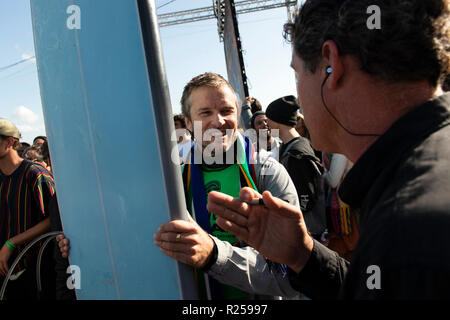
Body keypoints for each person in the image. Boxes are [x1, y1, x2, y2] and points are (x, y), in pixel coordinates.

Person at [207, 0, 450, 299]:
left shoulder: (411, 226)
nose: (299, 101)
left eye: (296, 75)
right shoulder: (413, 189)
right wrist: (303, 255)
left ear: (331, 64)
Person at [58, 73, 300, 300]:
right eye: (205, 112)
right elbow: (137, 241)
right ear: (187, 121)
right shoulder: (173, 180)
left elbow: (294, 273)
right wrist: (84, 245)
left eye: (227, 110)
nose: (218, 121)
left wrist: (214, 255)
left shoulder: (267, 172)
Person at [0, 119, 56, 300]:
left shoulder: (35, 174)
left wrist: (12, 242)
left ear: (9, 142)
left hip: (34, 269)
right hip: (4, 272)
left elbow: (53, 219)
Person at [265, 95, 326, 239]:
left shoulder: (296, 154)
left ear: (278, 121)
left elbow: (306, 200)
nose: (266, 123)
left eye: (269, 119)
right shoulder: (292, 146)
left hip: (308, 232)